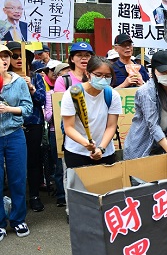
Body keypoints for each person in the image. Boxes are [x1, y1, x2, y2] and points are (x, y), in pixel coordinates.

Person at [124, 51, 167, 159]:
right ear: (154, 71)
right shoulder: (146, 92)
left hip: (165, 144)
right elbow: (153, 125)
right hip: (142, 147)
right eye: (163, 72)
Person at [61, 56, 122, 172]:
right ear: (88, 74)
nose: (103, 79)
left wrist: (101, 148)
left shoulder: (113, 95)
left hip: (105, 152)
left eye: (107, 76)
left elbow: (111, 126)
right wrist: (86, 143)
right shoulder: (72, 94)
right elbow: (69, 127)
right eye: (98, 75)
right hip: (76, 152)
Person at [7, 41, 46, 212]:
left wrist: (31, 88)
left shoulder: (36, 77)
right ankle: (14, 198)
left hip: (33, 123)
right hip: (10, 125)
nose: (18, 59)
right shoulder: (4, 78)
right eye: (14, 56)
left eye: (22, 56)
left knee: (34, 160)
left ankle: (34, 195)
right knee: (13, 164)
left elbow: (42, 100)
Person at [0, 43, 33, 240]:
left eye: (6, 56)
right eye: (0, 57)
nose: (4, 60)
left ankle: (18, 219)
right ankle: (0, 223)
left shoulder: (18, 81)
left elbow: (28, 108)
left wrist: (8, 109)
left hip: (14, 134)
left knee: (18, 178)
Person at [42, 61, 70, 207]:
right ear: (58, 75)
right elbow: (47, 117)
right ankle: (61, 196)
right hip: (56, 132)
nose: (68, 74)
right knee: (59, 166)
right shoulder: (50, 94)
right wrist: (57, 110)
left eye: (69, 71)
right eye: (64, 72)